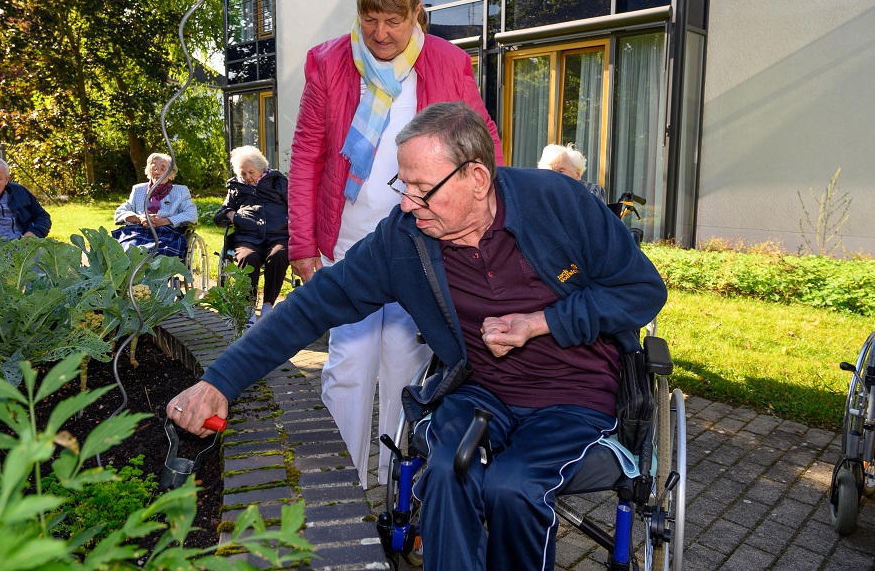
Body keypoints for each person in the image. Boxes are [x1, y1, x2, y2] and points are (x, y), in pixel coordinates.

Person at [168, 102, 667, 571]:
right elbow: (310, 306)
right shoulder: (405, 240)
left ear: (476, 178)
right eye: (401, 185)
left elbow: (642, 291)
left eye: (421, 189)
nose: (407, 204)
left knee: (515, 486)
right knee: (450, 470)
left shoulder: (557, 202)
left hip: (574, 396)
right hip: (480, 391)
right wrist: (220, 381)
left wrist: (543, 322)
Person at [287, 0, 504, 488]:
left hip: (423, 241)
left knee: (406, 365)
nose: (380, 32)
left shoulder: (450, 64)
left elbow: (486, 145)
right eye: (370, 18)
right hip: (351, 241)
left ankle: (395, 490)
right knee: (349, 363)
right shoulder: (327, 62)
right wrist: (301, 244)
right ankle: (341, 487)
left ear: (416, 14)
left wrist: (489, 216)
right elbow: (307, 155)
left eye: (393, 19)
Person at [213, 146, 290, 322]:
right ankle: (248, 309)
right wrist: (229, 214)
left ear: (261, 168)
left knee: (279, 255)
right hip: (247, 238)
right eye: (243, 173)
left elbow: (296, 207)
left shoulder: (278, 182)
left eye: (251, 172)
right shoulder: (236, 187)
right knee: (249, 257)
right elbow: (218, 217)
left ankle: (268, 306)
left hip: (277, 235)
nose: (247, 177)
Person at [113, 153, 197, 257]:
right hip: (138, 231)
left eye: (163, 168)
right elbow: (120, 212)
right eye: (154, 168)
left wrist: (165, 221)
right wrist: (139, 218)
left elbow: (191, 214)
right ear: (149, 170)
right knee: (128, 251)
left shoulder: (180, 191)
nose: (158, 172)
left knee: (155, 253)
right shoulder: (138, 189)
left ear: (171, 173)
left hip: (166, 233)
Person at [537, 142, 607, 203]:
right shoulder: (540, 193)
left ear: (577, 174)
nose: (554, 176)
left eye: (560, 171)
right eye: (549, 172)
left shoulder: (592, 191)